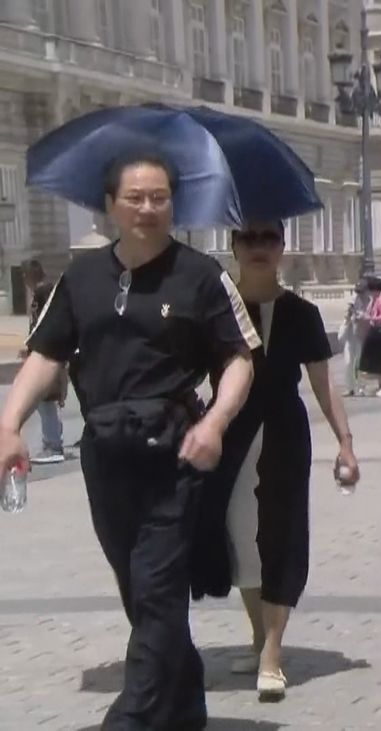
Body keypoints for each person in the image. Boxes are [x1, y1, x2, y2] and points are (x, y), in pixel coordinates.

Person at [0, 150, 259, 729]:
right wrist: (8, 423)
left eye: (160, 197)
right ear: (111, 205)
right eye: (136, 198)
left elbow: (239, 358)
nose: (148, 208)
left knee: (159, 586)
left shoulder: (199, 274)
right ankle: (185, 703)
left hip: (174, 451)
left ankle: (133, 715)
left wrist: (214, 423)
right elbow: (47, 354)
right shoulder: (82, 276)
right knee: (138, 588)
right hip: (105, 453)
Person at [207, 220, 359, 701]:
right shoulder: (214, 309)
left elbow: (322, 382)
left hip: (284, 437)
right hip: (230, 437)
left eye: (267, 239)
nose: (258, 248)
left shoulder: (301, 312)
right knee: (239, 540)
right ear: (233, 246)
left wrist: (346, 442)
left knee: (282, 536)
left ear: (281, 247)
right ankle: (258, 637)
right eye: (248, 239)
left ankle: (272, 653)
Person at [18, 259, 66, 464]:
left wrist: (32, 344)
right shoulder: (48, 289)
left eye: (24, 274)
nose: (23, 279)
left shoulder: (42, 291)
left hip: (45, 350)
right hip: (46, 348)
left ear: (30, 274)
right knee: (45, 401)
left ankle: (53, 444)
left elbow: (42, 321)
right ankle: (52, 441)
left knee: (44, 401)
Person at [338, 281, 370, 396]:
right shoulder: (353, 298)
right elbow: (348, 311)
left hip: (361, 335)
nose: (359, 294)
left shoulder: (368, 300)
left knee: (359, 362)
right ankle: (350, 388)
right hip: (350, 335)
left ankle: (361, 388)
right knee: (348, 362)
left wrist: (361, 316)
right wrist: (349, 315)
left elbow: (369, 315)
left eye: (361, 291)